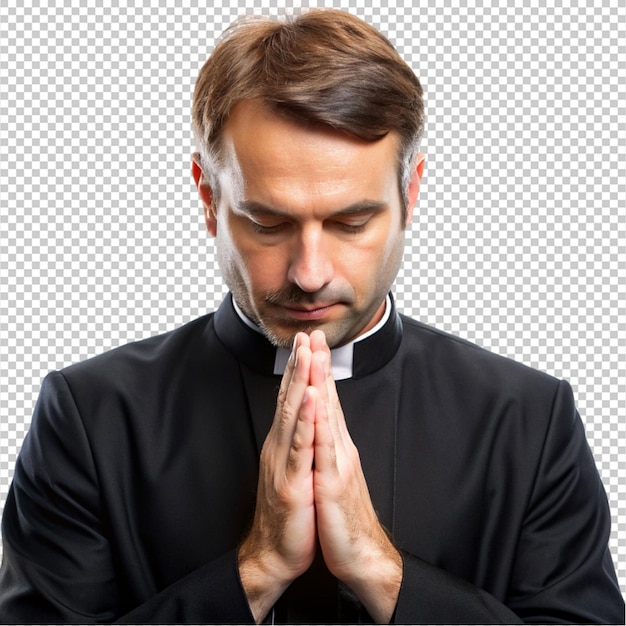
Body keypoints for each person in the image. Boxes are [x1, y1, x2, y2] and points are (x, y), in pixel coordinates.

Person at [0, 9, 622, 624]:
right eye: (268, 222)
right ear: (208, 198)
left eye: (352, 222)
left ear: (411, 195)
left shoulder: (531, 421)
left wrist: (381, 571)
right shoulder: (87, 415)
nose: (309, 272)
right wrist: (259, 566)